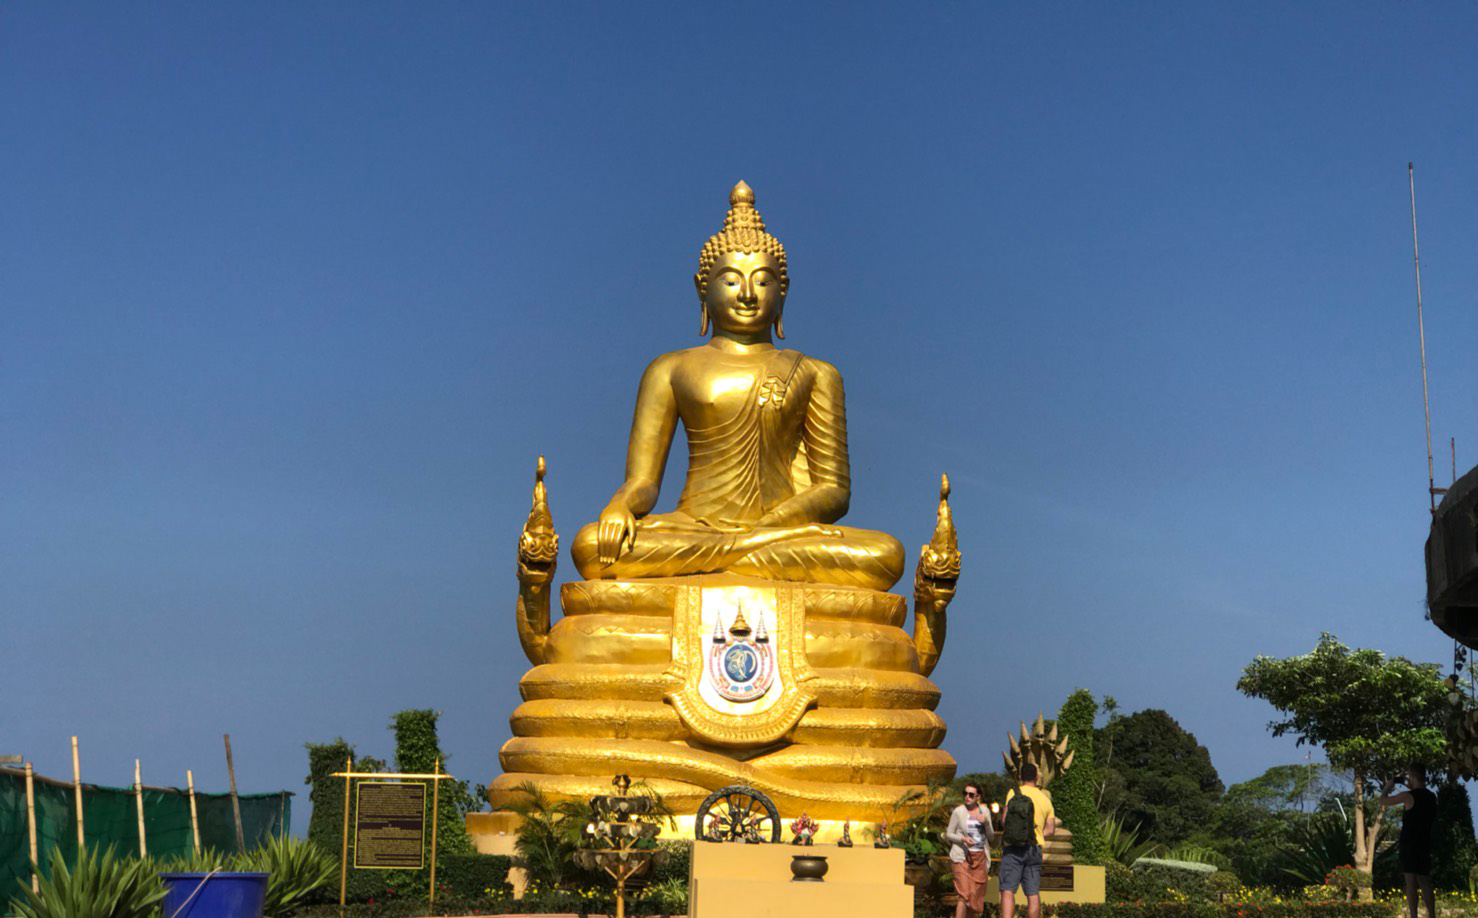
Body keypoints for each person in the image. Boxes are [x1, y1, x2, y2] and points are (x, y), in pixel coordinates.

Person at [570, 181, 905, 590]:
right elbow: (644, 482)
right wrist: (620, 505)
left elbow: (833, 491)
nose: (747, 294)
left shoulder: (815, 372)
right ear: (701, 289)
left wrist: (767, 528)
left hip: (782, 533)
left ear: (783, 292)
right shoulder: (671, 368)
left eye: (763, 282)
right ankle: (742, 556)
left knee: (885, 555)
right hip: (696, 528)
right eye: (731, 280)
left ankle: (731, 557)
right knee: (591, 545)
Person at [1380, 764, 1437, 918]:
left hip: (1409, 844)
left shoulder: (1407, 796)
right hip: (1424, 842)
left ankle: (1414, 915)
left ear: (1411, 776)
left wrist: (1388, 786)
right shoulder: (1431, 796)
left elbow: (1383, 801)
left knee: (1411, 882)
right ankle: (1432, 914)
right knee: (1425, 881)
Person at [1000, 763, 1056, 918]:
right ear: (1037, 778)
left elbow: (1004, 821)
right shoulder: (1045, 799)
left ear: (1020, 777)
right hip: (1034, 849)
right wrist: (1036, 834)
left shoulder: (1013, 793)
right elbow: (1051, 829)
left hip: (1013, 849)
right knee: (1032, 893)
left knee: (1008, 890)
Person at [944, 781, 995, 918]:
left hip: (979, 858)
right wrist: (963, 839)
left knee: (975, 898)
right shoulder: (958, 812)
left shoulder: (984, 811)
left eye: (971, 794)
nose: (967, 797)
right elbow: (949, 833)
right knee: (964, 894)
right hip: (961, 857)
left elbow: (991, 837)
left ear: (978, 796)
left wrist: (986, 823)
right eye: (965, 794)